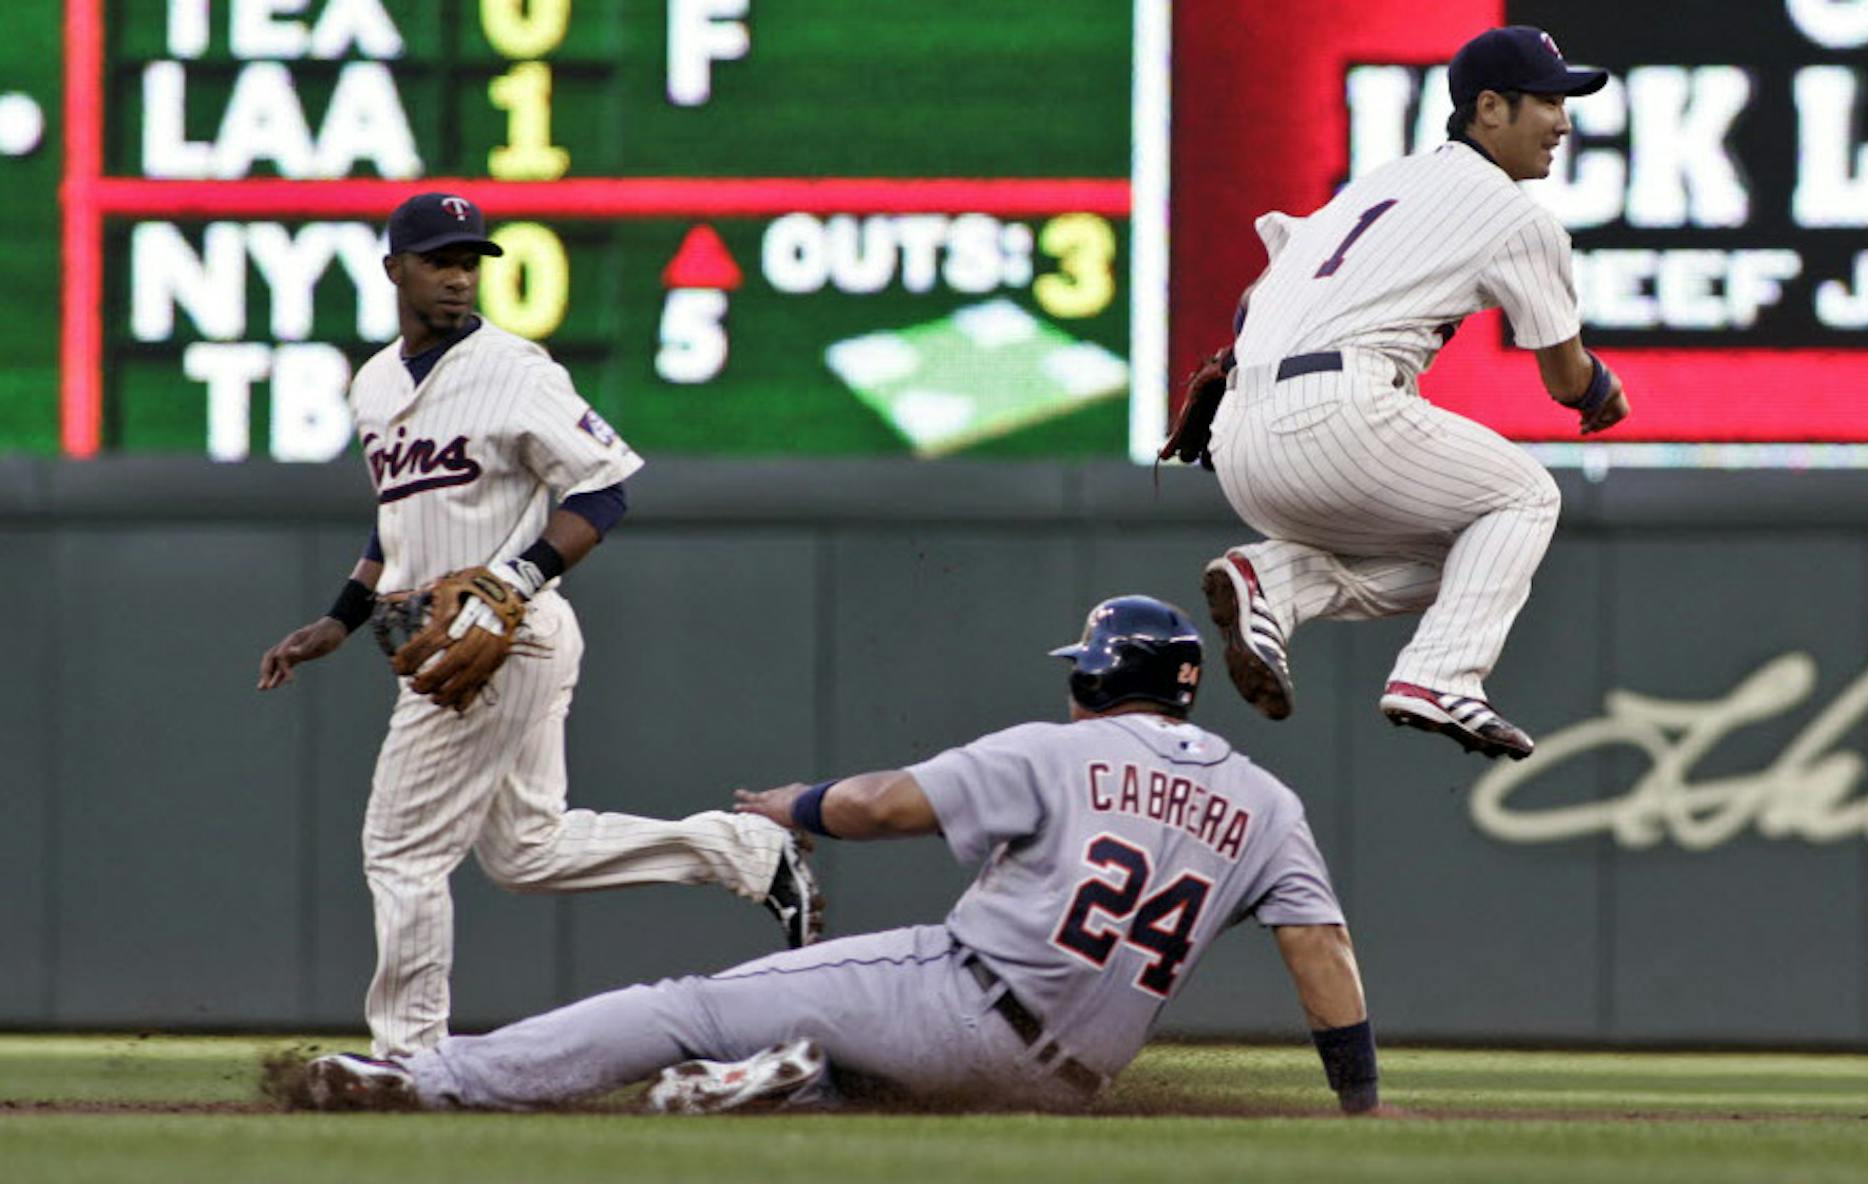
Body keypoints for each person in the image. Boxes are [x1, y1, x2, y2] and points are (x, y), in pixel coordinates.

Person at [300, 596, 1388, 1117]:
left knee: (685, 1002)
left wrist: (796, 807)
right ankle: (782, 1086)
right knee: (858, 1087)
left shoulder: (1062, 751)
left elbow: (888, 805)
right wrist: (1358, 1105)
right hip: (1069, 1080)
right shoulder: (1267, 801)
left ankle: (433, 1079)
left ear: (1101, 674)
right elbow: (1321, 954)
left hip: (962, 1002)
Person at [257, 192, 821, 1059]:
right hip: (455, 633)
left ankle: (409, 1058)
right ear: (394, 270)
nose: (456, 276)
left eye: (468, 260)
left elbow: (602, 489)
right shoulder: (373, 384)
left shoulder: (515, 367)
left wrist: (511, 583)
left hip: (503, 634)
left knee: (400, 847)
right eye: (439, 259)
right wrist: (340, 616)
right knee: (527, 850)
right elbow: (399, 514)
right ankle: (749, 851)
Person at [1197, 25, 1631, 761]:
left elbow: (1252, 298)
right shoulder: (1515, 214)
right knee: (1526, 499)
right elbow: (1566, 379)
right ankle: (1440, 674)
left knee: (1476, 557)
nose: (1562, 122)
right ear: (1489, 108)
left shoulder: (1376, 186)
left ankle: (1276, 578)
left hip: (1239, 440)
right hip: (1339, 416)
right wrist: (1601, 389)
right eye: (1548, 102)